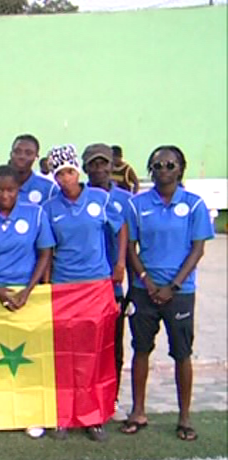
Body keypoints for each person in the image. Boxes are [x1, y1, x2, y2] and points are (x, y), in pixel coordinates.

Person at [122, 146, 214, 441]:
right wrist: (147, 281)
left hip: (180, 292)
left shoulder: (195, 205)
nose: (163, 169)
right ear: (150, 169)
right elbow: (130, 248)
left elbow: (198, 249)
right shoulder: (137, 204)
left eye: (170, 164)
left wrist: (172, 286)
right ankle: (138, 411)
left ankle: (184, 417)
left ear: (180, 169)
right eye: (157, 164)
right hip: (143, 290)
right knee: (141, 350)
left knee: (182, 354)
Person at [0, 164, 56, 439]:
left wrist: (28, 290)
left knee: (29, 362)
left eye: (11, 190)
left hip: (27, 298)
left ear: (19, 190)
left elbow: (45, 253)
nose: (5, 195)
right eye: (0, 190)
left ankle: (30, 416)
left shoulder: (36, 213)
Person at [42, 144, 123, 442]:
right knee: (65, 353)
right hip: (64, 288)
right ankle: (63, 416)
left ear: (78, 171)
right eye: (59, 174)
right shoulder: (49, 208)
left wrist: (120, 264)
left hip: (97, 286)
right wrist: (48, 286)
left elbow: (121, 228)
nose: (65, 178)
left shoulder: (100, 199)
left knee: (94, 353)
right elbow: (48, 252)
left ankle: (93, 416)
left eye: (69, 172)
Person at [82, 143, 132, 417]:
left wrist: (122, 264)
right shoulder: (80, 195)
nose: (99, 169)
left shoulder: (125, 199)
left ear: (113, 165)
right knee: (83, 345)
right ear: (85, 166)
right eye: (93, 164)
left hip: (112, 284)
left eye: (103, 163)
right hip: (83, 286)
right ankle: (83, 397)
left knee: (112, 343)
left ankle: (111, 398)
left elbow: (130, 236)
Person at [0, 134, 58, 207]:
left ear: (36, 157)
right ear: (11, 154)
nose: (22, 156)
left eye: (28, 153)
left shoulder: (49, 189)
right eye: (17, 152)